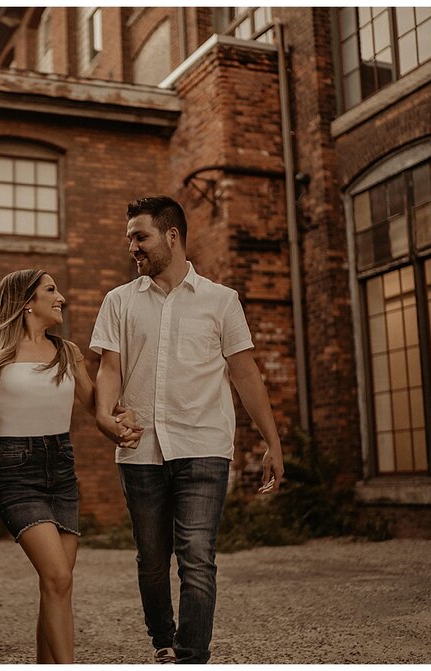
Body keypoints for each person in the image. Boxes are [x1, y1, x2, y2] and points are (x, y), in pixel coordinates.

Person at [90, 195, 284, 664]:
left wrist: (272, 442)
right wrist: (104, 417)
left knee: (197, 555)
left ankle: (192, 655)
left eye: (141, 236)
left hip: (203, 444)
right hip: (140, 450)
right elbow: (110, 369)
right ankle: (163, 638)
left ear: (171, 236)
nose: (132, 247)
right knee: (152, 560)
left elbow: (245, 374)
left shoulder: (221, 301)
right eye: (129, 238)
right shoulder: (118, 301)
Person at [0, 268, 142, 664]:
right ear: (27, 302)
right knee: (58, 577)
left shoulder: (67, 353)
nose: (60, 297)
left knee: (57, 584)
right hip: (15, 472)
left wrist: (120, 420)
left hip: (61, 470)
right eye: (51, 290)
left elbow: (94, 406)